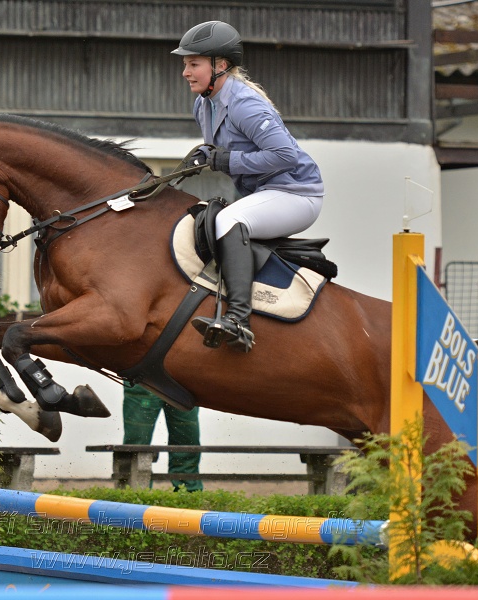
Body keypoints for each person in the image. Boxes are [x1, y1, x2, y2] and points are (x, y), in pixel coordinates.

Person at [172, 21, 325, 353]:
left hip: (296, 194)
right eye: (185, 63)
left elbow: (284, 155)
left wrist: (228, 161)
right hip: (264, 194)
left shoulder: (245, 104)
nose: (185, 71)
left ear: (220, 65)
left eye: (193, 63)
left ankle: (239, 320)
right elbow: (227, 156)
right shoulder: (203, 104)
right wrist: (207, 155)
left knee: (229, 221)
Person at [122, 383, 203, 492]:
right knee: (136, 443)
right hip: (142, 378)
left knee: (187, 441)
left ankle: (188, 492)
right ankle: (134, 493)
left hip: (183, 381)